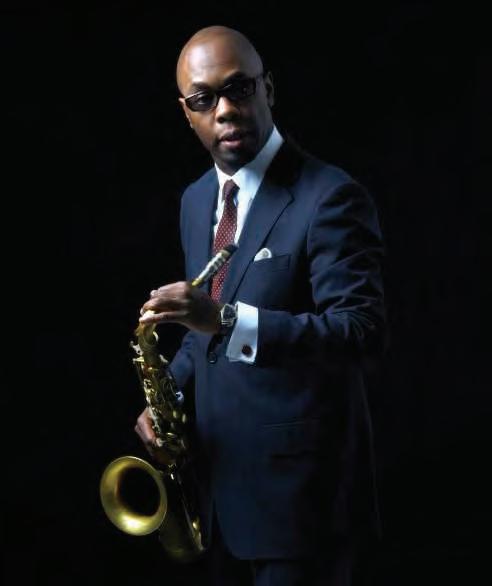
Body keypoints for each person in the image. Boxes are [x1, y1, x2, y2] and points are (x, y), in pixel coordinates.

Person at [135, 25, 385, 586]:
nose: (225, 109)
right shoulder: (196, 200)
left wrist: (224, 320)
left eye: (239, 88)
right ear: (187, 113)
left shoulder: (330, 196)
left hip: (304, 509)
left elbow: (361, 332)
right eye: (204, 99)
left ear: (267, 88)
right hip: (219, 495)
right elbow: (204, 334)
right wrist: (170, 391)